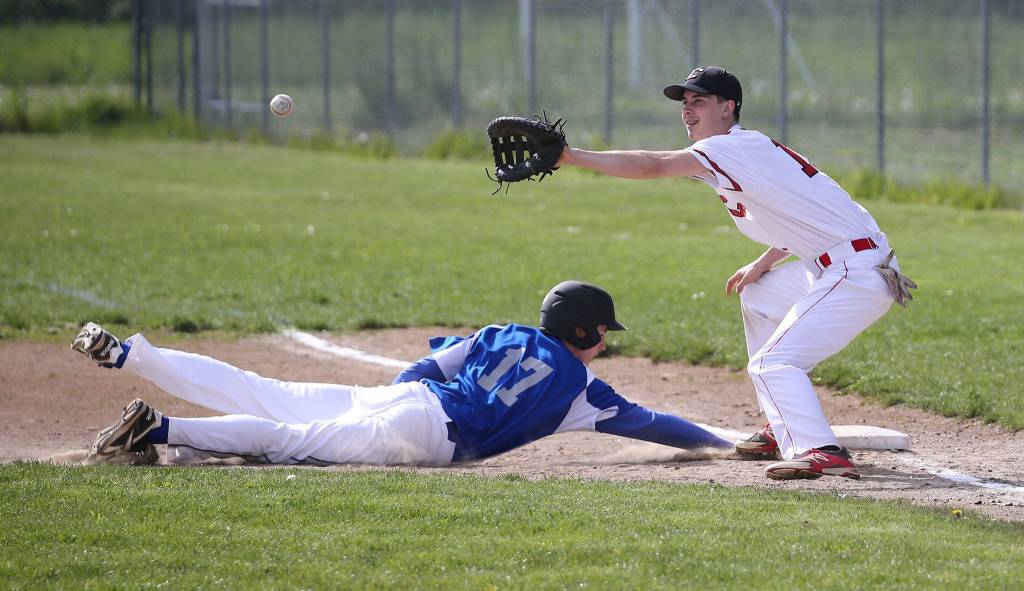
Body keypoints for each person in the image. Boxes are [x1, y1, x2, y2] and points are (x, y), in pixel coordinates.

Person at [557, 66, 916, 481]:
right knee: (759, 294)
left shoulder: (732, 149)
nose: (688, 111)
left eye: (700, 101)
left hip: (856, 273)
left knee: (772, 363)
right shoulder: (738, 152)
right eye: (685, 103)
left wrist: (570, 156)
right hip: (844, 264)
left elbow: (652, 165)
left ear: (728, 108)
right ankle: (781, 427)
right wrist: (762, 263)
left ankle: (820, 450)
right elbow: (801, 213)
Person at [72, 280, 731, 466]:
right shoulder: (583, 388)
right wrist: (721, 443)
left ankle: (133, 354)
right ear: (586, 334)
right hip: (426, 431)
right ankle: (158, 429)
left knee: (263, 391)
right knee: (289, 442)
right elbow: (656, 425)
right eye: (603, 335)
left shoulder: (502, 332)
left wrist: (386, 402)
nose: (604, 347)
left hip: (410, 396)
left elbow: (424, 363)